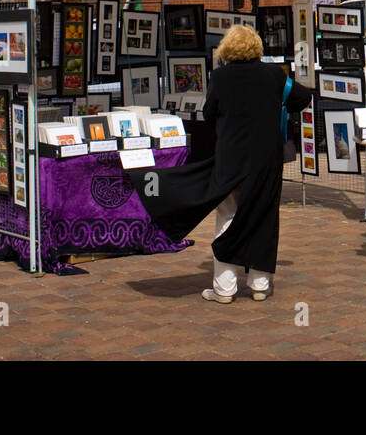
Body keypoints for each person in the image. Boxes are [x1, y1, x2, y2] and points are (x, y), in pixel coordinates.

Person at [130, 24, 312, 303]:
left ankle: (225, 288)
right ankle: (260, 284)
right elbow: (303, 97)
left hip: (231, 159)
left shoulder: (221, 78)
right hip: (266, 159)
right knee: (263, 216)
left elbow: (209, 113)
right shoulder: (274, 75)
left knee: (227, 215)